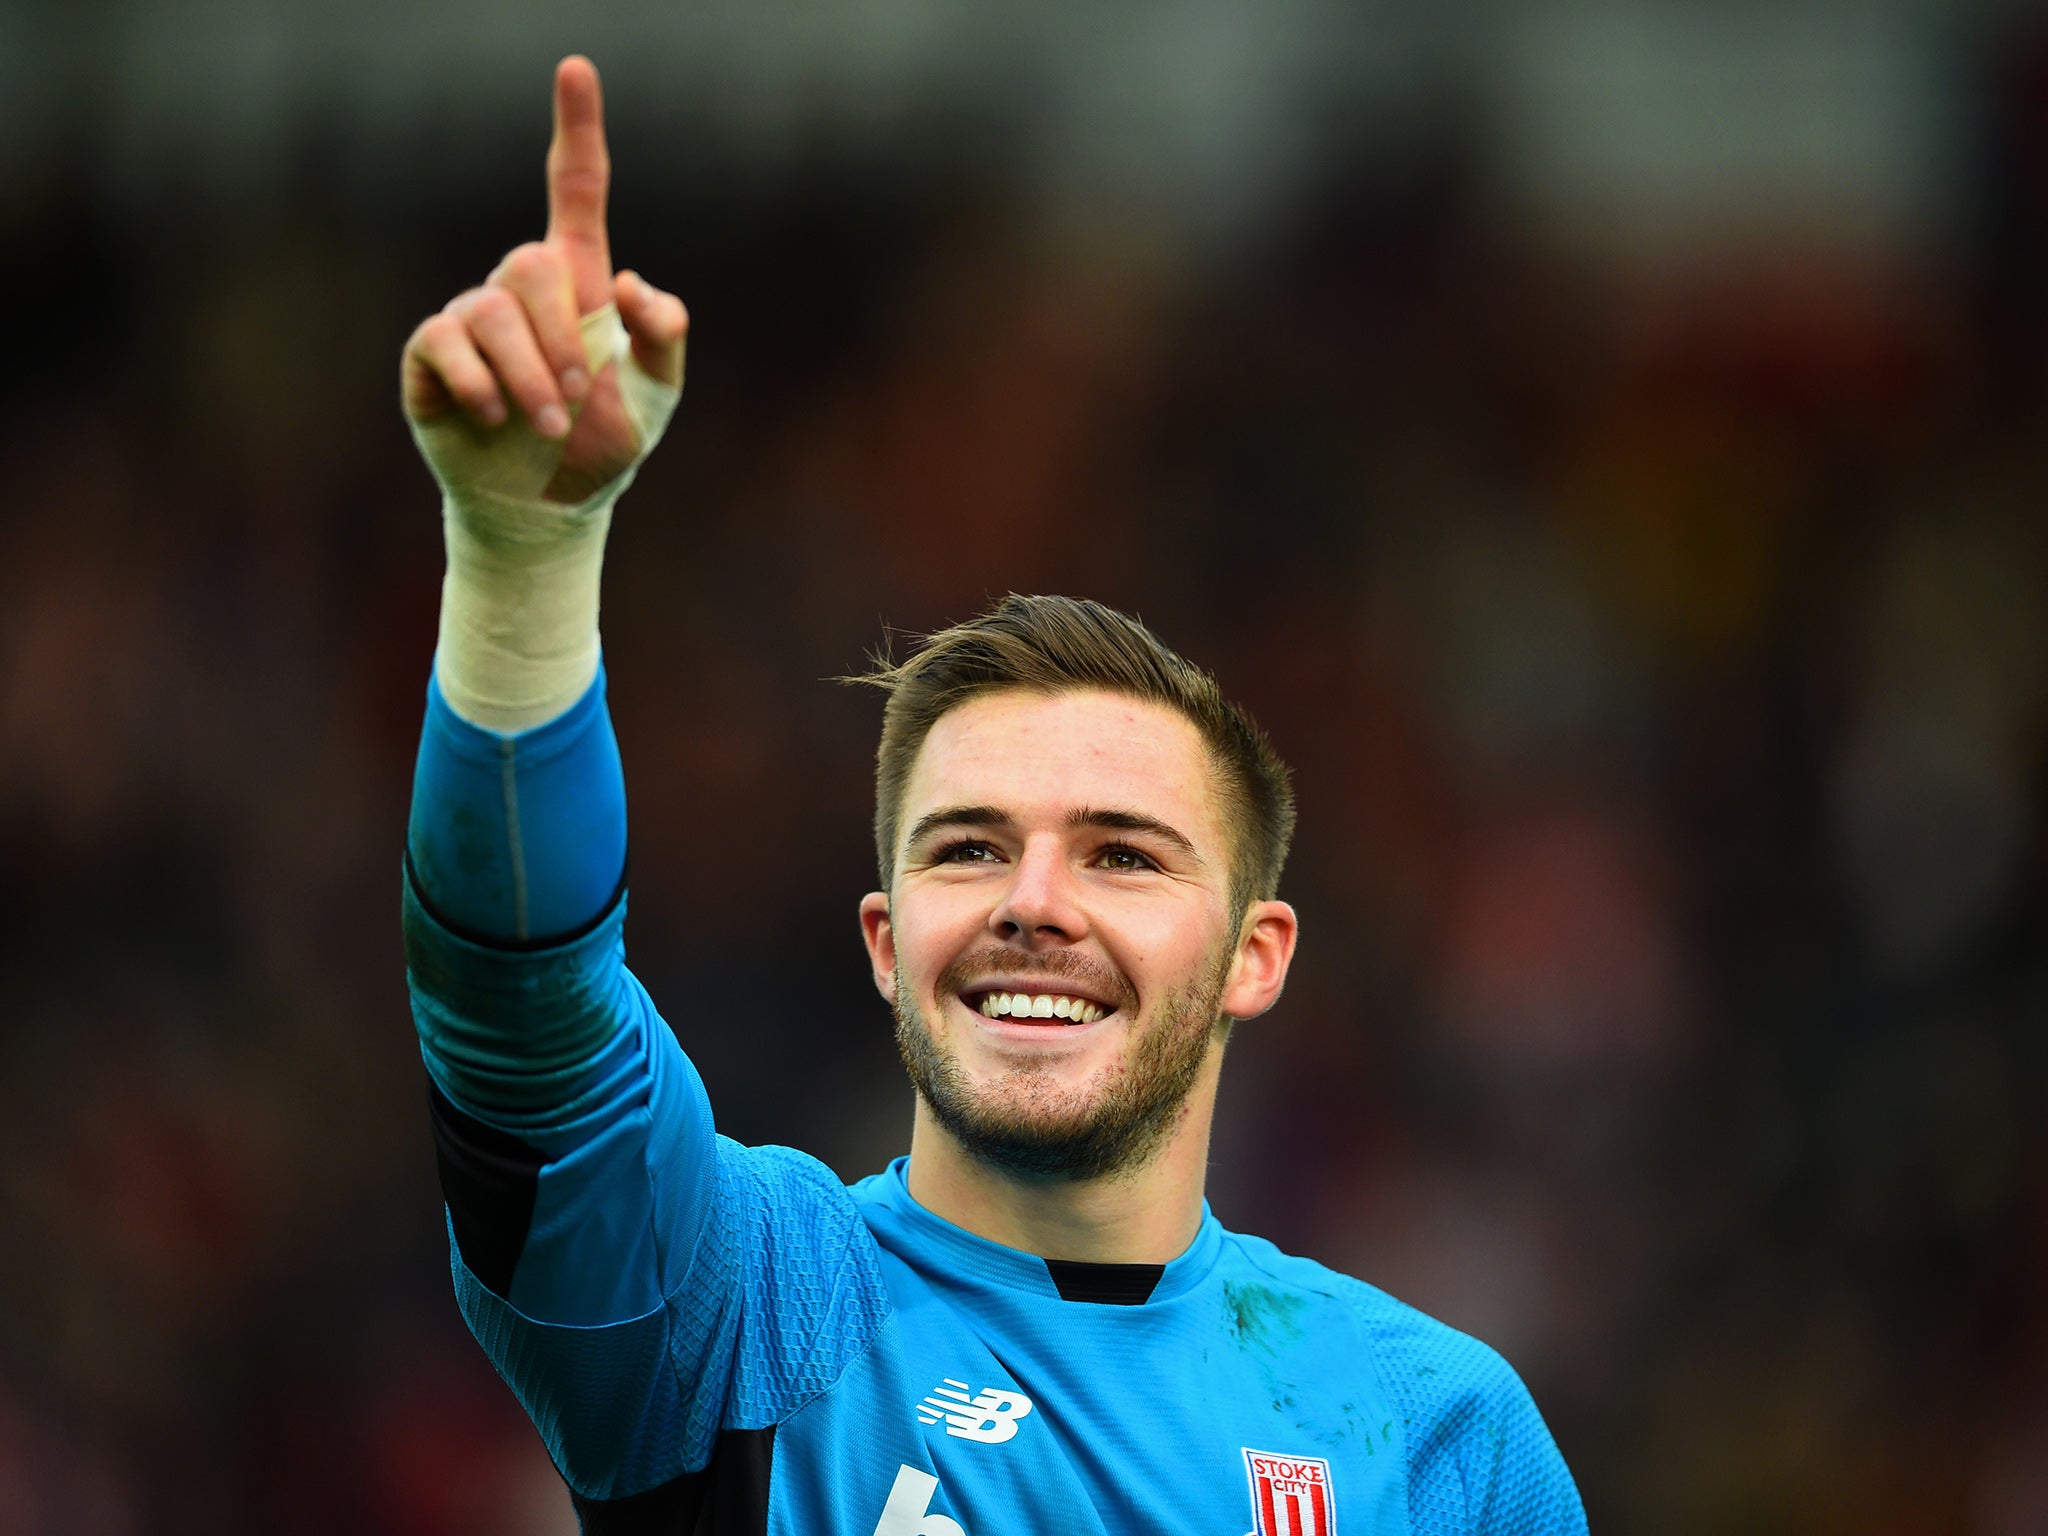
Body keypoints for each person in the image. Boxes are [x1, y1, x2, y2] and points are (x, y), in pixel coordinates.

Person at [400, 54, 1589, 1536]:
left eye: (1126, 858)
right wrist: (522, 562)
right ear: (888, 940)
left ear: (1254, 956)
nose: (1036, 903)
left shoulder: (1433, 1435)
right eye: (970, 849)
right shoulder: (743, 1308)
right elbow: (518, 1014)